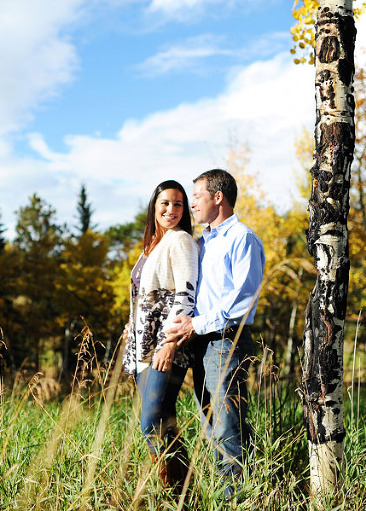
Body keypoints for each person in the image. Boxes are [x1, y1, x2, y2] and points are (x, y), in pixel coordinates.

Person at [164, 168, 265, 499]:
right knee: (213, 427)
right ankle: (240, 494)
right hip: (200, 344)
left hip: (226, 342)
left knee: (226, 429)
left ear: (217, 197)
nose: (191, 204)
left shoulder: (243, 239)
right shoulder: (202, 242)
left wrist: (196, 324)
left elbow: (243, 303)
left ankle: (233, 500)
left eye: (196, 197)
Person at [123, 180, 199, 499]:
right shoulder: (152, 245)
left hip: (163, 346)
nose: (171, 210)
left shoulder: (180, 240)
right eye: (165, 203)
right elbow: (143, 298)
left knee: (151, 424)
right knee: (164, 423)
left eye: (178, 204)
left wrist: (168, 343)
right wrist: (131, 327)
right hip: (142, 347)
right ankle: (187, 495)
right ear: (154, 206)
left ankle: (172, 495)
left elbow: (186, 294)